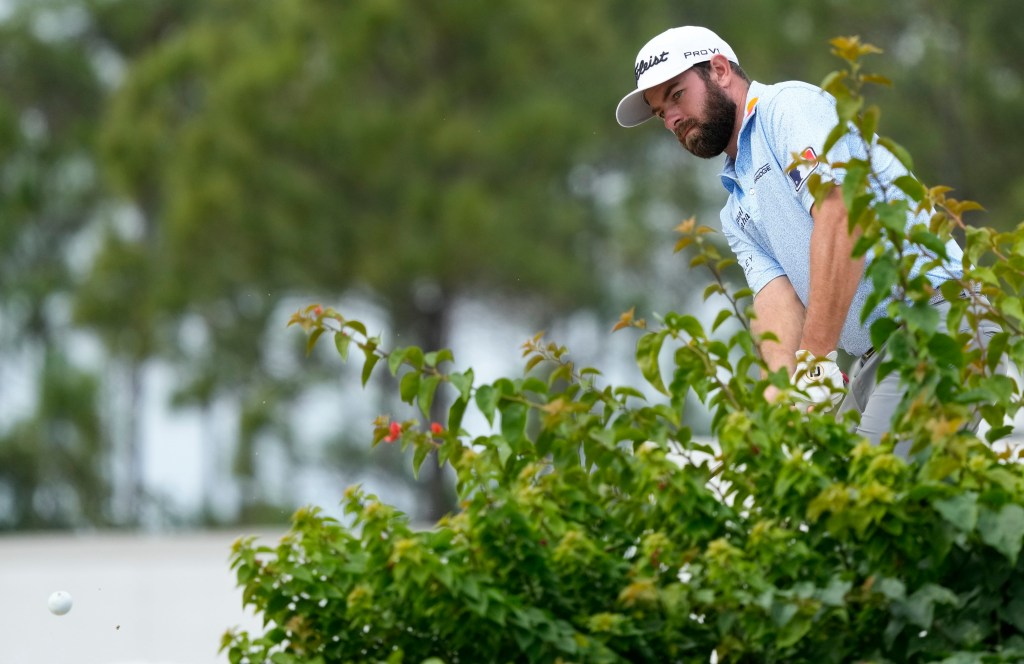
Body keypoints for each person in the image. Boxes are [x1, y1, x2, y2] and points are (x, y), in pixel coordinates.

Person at [615, 26, 999, 452]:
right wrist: (782, 403)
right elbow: (777, 302)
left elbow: (843, 216)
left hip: (937, 321)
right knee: (815, 487)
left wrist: (816, 361)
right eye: (659, 112)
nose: (671, 118)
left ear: (720, 70)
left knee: (862, 502)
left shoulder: (788, 108)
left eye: (676, 95)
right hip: (877, 355)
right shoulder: (734, 206)